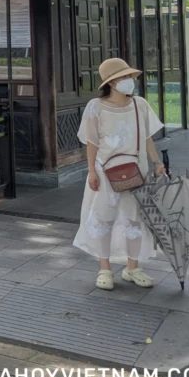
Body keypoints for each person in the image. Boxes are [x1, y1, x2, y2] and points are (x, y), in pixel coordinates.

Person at [72, 58, 166, 290]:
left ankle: (133, 267)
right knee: (104, 217)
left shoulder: (140, 105)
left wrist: (157, 162)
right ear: (112, 83)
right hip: (106, 171)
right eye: (124, 77)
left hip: (136, 169)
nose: (129, 81)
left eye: (130, 77)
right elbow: (92, 142)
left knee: (135, 218)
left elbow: (147, 138)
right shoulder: (96, 107)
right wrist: (91, 170)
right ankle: (105, 269)